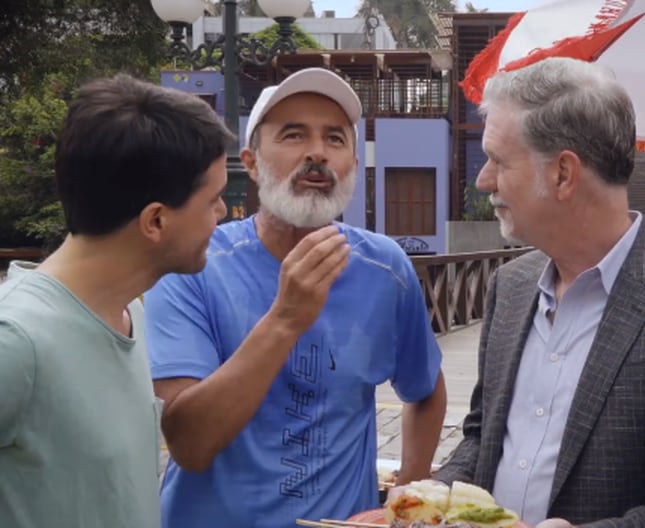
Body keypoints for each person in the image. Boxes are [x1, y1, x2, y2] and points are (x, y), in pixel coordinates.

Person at [431, 57, 645, 527]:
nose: (483, 180)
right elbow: (482, 435)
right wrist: (437, 492)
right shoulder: (509, 287)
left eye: (499, 161)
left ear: (563, 174)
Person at [144, 67, 447, 528]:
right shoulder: (196, 267)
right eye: (293, 135)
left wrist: (404, 499)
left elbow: (425, 391)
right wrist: (285, 319)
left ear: (352, 164)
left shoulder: (386, 269)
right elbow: (190, 444)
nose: (317, 153)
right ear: (251, 163)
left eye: (335, 138)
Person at [0, 74, 233, 527]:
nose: (222, 213)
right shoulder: (18, 340)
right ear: (156, 221)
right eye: (214, 200)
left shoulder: (129, 315)